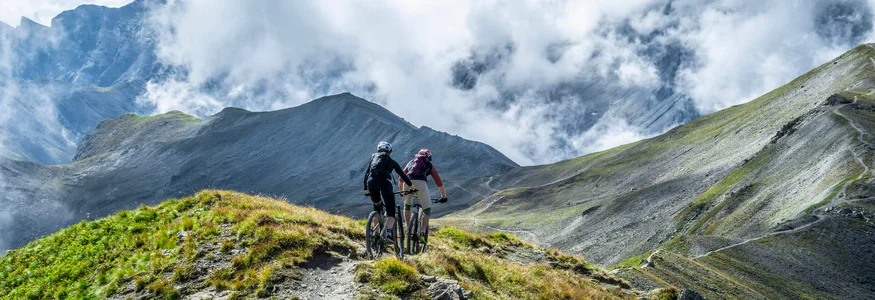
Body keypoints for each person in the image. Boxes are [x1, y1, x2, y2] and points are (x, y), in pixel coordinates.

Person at [364, 141, 414, 241]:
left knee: (377, 207)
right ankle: (388, 233)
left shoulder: (373, 159)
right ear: (390, 152)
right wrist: (411, 187)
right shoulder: (392, 162)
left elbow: (367, 174)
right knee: (391, 210)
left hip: (371, 182)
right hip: (385, 183)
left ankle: (375, 232)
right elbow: (403, 175)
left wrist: (365, 188)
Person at [400, 149, 448, 242]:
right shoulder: (429, 165)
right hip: (421, 183)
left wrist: (402, 192)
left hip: (407, 182)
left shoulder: (410, 162)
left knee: (407, 205)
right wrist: (443, 197)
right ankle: (423, 232)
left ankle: (408, 229)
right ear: (429, 158)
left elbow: (400, 178)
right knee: (427, 209)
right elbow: (439, 183)